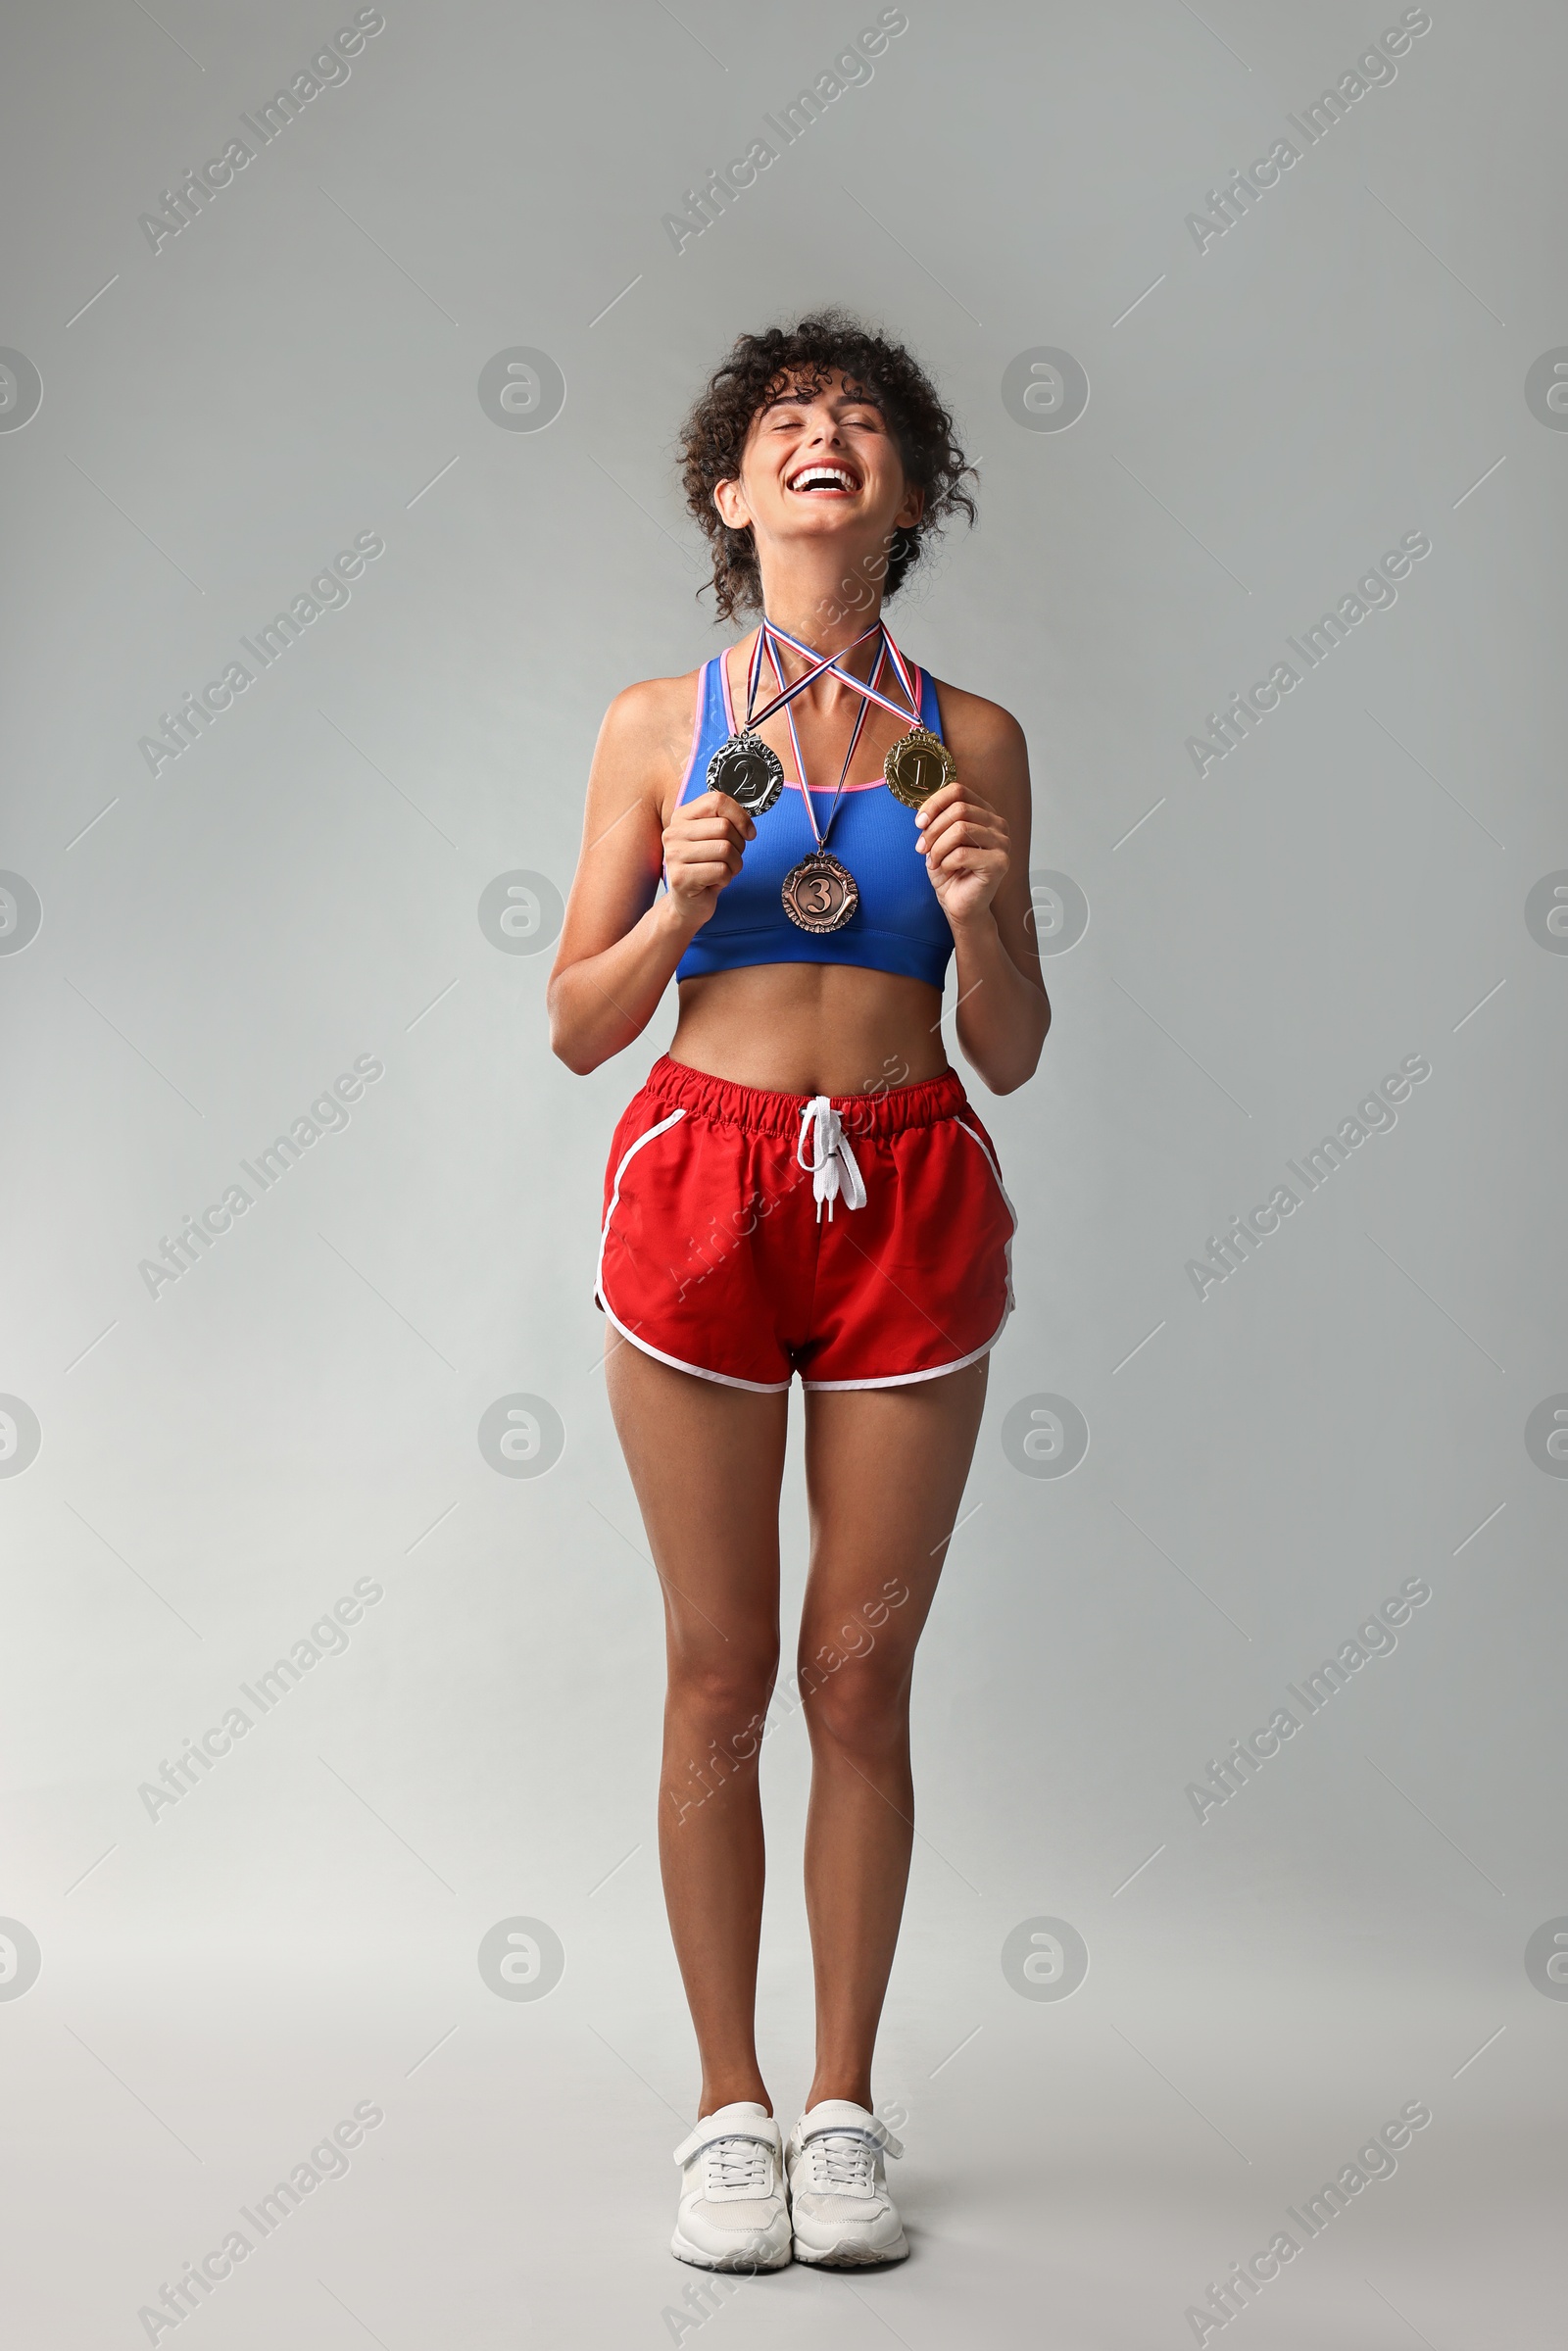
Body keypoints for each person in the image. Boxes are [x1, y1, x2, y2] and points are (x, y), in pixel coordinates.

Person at [548, 313, 1050, 2272]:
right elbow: (580, 1025)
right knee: (715, 1670)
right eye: (782, 421)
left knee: (858, 1672)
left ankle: (838, 2103)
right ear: (728, 494)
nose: (819, 437)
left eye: (858, 423)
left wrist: (990, 908)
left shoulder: (975, 737)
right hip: (705, 1178)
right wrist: (676, 905)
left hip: (912, 1177)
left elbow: (1008, 1042)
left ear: (906, 496)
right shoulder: (647, 725)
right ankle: (720, 2110)